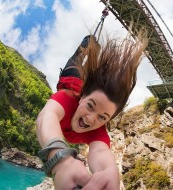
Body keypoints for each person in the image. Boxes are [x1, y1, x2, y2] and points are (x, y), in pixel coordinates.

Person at [36, 33, 147, 190]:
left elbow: (100, 151)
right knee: (78, 58)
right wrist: (61, 161)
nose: (90, 119)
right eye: (90, 106)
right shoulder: (66, 99)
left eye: (102, 117)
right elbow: (46, 116)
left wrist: (109, 171)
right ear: (82, 97)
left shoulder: (98, 132)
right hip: (70, 78)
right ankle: (87, 44)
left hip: (85, 85)